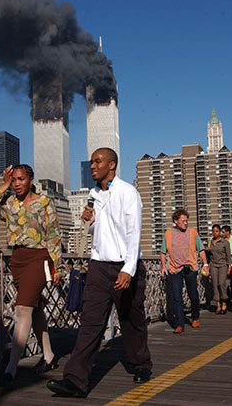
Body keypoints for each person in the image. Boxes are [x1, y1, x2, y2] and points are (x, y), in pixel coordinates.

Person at [47, 148, 152, 398]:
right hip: (98, 268)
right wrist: (91, 221)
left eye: (98, 161)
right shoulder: (93, 195)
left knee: (131, 320)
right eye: (92, 161)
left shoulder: (128, 193)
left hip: (125, 267)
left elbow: (132, 233)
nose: (92, 165)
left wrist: (128, 269)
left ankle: (141, 364)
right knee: (90, 324)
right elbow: (103, 232)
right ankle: (75, 381)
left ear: (112, 165)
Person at [0, 164, 63, 388]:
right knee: (34, 308)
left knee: (22, 308)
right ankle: (49, 356)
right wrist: (3, 185)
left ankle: (11, 367)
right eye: (14, 180)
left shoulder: (44, 202)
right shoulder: (10, 203)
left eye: (20, 179)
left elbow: (54, 235)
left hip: (39, 257)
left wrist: (58, 267)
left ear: (31, 179)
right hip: (17, 260)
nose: (17, 184)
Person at [160, 209, 208, 333]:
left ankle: (195, 317)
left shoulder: (192, 233)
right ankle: (179, 324)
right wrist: (163, 267)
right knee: (177, 297)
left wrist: (205, 264)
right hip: (174, 269)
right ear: (176, 221)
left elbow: (201, 249)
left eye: (187, 221)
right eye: (183, 221)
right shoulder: (168, 234)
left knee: (193, 295)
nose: (186, 223)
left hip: (190, 268)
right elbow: (163, 252)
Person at [206, 224, 231, 314]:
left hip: (222, 265)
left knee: (221, 283)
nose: (215, 233)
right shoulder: (211, 242)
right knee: (214, 284)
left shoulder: (225, 242)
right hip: (213, 265)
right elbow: (209, 255)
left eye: (216, 231)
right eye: (213, 231)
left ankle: (224, 301)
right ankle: (218, 304)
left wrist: (229, 267)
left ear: (220, 232)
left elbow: (228, 255)